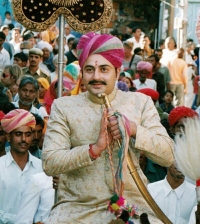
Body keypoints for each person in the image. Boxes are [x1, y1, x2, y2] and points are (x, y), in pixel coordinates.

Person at [42, 32, 174, 223]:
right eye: (89, 70)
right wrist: (94, 149)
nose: (96, 76)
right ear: (82, 73)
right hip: (78, 207)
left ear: (117, 72)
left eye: (104, 69)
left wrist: (134, 129)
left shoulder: (140, 103)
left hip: (130, 206)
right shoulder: (64, 107)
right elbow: (50, 162)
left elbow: (168, 155)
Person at [0, 109, 43, 223]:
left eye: (28, 134)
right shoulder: (0, 166)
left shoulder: (41, 167)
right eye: (18, 134)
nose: (24, 139)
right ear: (9, 137)